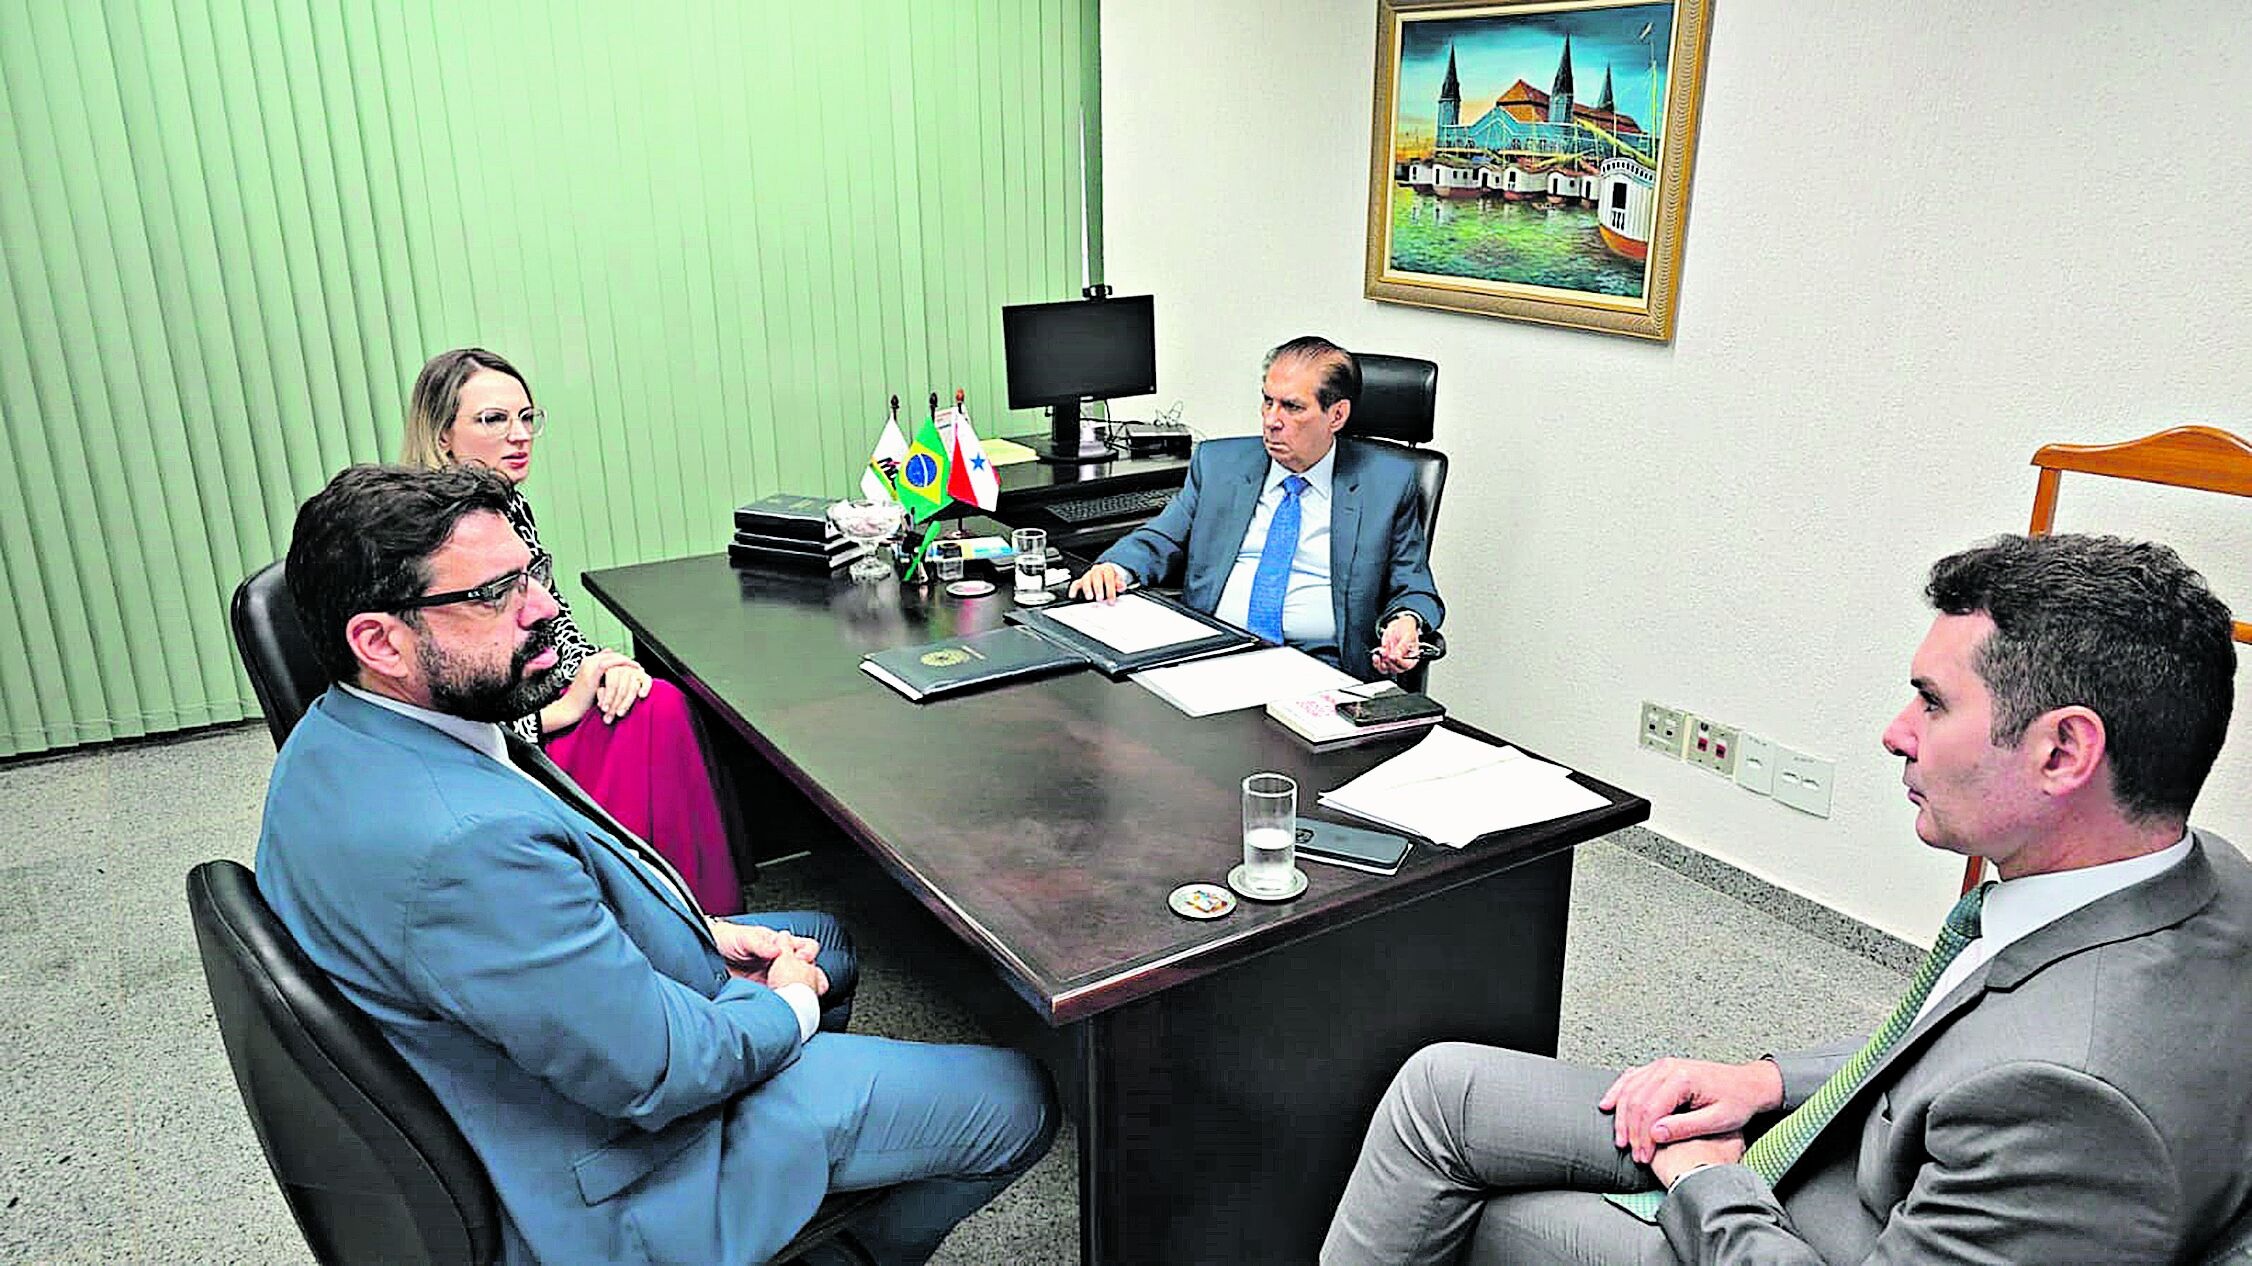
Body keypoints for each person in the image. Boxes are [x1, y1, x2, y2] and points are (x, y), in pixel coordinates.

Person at [1322, 533, 2250, 1265]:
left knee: (1492, 1220)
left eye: (1932, 704)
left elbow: (2017, 1074)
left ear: (2063, 752)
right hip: (1839, 1138)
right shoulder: (2198, 873)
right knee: (1443, 1088)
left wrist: (1702, 1188)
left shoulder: (2077, 1106)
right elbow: (1960, 1028)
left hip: (1803, 1223)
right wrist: (1762, 1080)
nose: (1896, 735)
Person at [258, 464, 1056, 1265]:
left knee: (822, 938)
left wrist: (701, 934)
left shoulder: (336, 733)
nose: (542, 608)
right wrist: (787, 1013)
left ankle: (808, 1172)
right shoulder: (463, 850)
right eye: (493, 595)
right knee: (1017, 1100)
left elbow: (521, 944)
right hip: (619, 1171)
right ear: (380, 640)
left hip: (532, 1045)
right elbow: (664, 1070)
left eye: (528, 575)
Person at [400, 347, 741, 914]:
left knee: (657, 700)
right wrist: (551, 715)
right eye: (493, 420)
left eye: (526, 417)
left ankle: (699, 913)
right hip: (492, 730)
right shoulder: (426, 535)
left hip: (528, 690)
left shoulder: (507, 504)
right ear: (442, 437)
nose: (519, 435)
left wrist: (602, 666)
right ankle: (643, 908)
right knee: (651, 715)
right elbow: (441, 688)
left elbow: (550, 617)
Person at [1066, 336, 1443, 680]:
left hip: (1320, 667)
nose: (1271, 420)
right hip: (1212, 653)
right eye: (1267, 401)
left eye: (1292, 407)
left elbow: (1415, 589)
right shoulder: (1219, 464)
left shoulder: (1386, 485)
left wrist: (1405, 622)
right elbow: (1160, 539)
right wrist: (1115, 568)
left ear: (1337, 415)